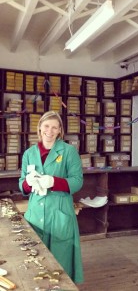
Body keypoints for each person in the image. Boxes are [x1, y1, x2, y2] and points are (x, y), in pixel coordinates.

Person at [19, 111, 84, 284]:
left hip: (59, 212)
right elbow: (22, 186)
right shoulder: (29, 154)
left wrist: (54, 182)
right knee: (35, 257)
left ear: (60, 130)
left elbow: (77, 182)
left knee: (60, 260)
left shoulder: (69, 152)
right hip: (35, 214)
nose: (50, 130)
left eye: (55, 127)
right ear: (40, 128)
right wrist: (27, 182)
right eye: (46, 126)